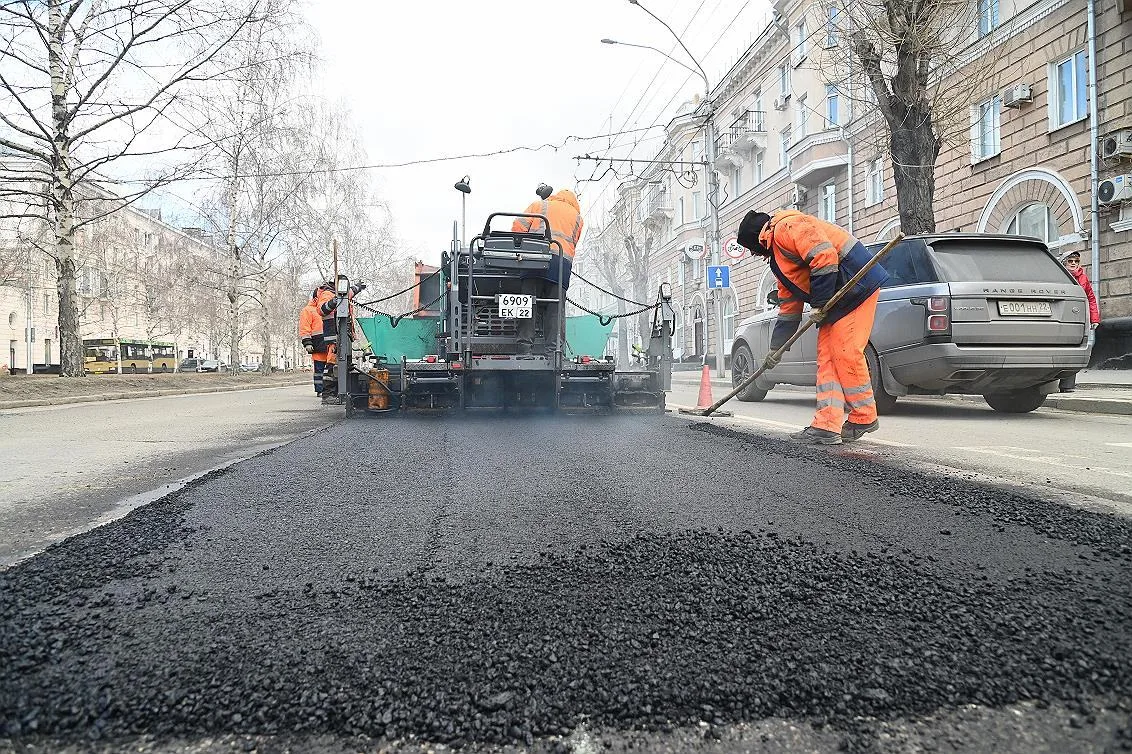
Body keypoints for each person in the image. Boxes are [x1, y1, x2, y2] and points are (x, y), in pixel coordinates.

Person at [737, 208, 890, 445]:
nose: (753, 255)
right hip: (836, 297)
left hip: (856, 284)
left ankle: (864, 416)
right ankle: (826, 425)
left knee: (845, 351)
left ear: (758, 238)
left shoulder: (787, 227)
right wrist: (776, 348)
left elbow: (825, 256)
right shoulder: (779, 258)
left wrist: (819, 304)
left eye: (751, 250)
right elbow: (789, 305)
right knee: (827, 357)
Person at [511, 186, 584, 355]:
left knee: (527, 303)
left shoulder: (540, 206)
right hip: (560, 264)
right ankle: (554, 350)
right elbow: (573, 243)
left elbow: (517, 227)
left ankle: (524, 347)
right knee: (555, 308)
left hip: (533, 259)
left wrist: (519, 249)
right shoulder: (578, 217)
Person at [1059, 250, 1101, 393]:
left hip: (1078, 318)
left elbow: (1091, 298)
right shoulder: (1058, 276)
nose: (1073, 264)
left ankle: (1067, 385)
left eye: (1076, 262)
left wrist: (1094, 318)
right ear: (1064, 262)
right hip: (1060, 317)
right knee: (1059, 349)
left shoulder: (1083, 278)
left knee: (1073, 349)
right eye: (1070, 261)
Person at [298, 290, 327, 397]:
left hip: (329, 346)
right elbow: (305, 328)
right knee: (320, 370)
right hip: (318, 345)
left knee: (330, 370)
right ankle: (320, 390)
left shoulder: (328, 309)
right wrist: (307, 343)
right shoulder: (308, 310)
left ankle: (329, 390)